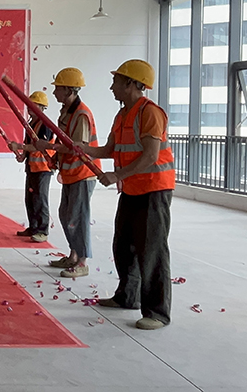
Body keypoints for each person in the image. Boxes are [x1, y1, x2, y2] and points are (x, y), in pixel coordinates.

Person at [76, 60, 175, 330]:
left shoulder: (150, 113)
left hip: (153, 190)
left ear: (131, 83)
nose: (112, 87)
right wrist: (82, 148)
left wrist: (117, 175)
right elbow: (109, 149)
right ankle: (127, 296)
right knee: (123, 246)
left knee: (151, 251)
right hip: (132, 189)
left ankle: (157, 312)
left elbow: (151, 156)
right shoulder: (122, 115)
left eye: (116, 82)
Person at [37, 67, 101, 278]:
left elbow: (78, 147)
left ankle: (82, 261)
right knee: (66, 215)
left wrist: (48, 146)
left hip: (83, 173)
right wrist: (56, 157)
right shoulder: (66, 112)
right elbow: (64, 142)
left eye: (58, 88)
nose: (54, 92)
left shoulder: (81, 114)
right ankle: (73, 255)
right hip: (71, 173)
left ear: (69, 90)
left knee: (77, 217)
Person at [9, 91, 55, 243]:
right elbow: (28, 145)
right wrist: (22, 155)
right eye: (29, 105)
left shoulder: (45, 125)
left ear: (41, 107)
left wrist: (19, 146)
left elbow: (39, 146)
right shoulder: (30, 124)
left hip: (43, 168)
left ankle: (42, 230)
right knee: (30, 199)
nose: (30, 108)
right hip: (32, 167)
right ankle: (33, 227)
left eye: (33, 105)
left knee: (40, 200)